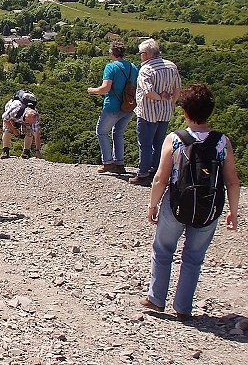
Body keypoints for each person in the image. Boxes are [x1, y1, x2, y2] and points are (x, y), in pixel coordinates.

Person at [141, 84, 239, 320]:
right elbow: (232, 181)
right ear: (210, 112)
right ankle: (183, 306)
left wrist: (153, 205)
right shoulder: (221, 142)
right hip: (209, 207)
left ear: (184, 112)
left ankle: (156, 298)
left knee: (163, 249)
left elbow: (160, 179)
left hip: (176, 204)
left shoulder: (175, 140)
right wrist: (233, 212)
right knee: (194, 257)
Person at [131, 38, 182, 186]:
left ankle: (143, 174)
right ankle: (156, 170)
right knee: (159, 143)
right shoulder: (171, 66)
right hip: (165, 112)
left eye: (141, 53)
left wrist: (159, 97)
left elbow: (148, 92)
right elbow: (177, 89)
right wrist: (170, 102)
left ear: (146, 54)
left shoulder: (146, 69)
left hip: (148, 112)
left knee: (145, 144)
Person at [87, 41, 139, 175]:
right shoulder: (133, 67)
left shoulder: (111, 67)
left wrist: (92, 90)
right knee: (118, 133)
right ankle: (119, 164)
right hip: (128, 106)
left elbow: (105, 89)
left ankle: (108, 162)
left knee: (102, 132)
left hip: (112, 106)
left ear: (112, 53)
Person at [0, 95, 42, 159]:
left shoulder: (35, 117)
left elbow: (37, 134)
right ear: (25, 117)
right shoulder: (15, 110)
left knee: (29, 132)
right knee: (7, 130)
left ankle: (26, 152)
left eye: (32, 123)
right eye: (29, 122)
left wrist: (38, 150)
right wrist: (13, 129)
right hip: (11, 115)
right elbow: (5, 119)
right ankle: (5, 151)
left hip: (23, 116)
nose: (30, 124)